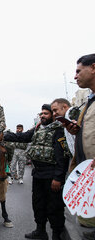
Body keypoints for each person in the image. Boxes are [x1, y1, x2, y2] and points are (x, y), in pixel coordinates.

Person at [4, 104, 70, 240]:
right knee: (38, 204)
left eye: (46, 113)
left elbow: (61, 157)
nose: (43, 116)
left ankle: (56, 235)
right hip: (38, 174)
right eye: (41, 113)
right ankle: (40, 231)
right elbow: (21, 137)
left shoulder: (58, 130)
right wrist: (3, 135)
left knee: (54, 207)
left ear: (52, 115)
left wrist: (58, 178)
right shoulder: (37, 129)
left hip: (51, 175)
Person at [66, 54, 95, 240]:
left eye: (78, 71)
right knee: (87, 226)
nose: (75, 76)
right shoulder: (88, 102)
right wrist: (77, 130)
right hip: (88, 177)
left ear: (93, 67)